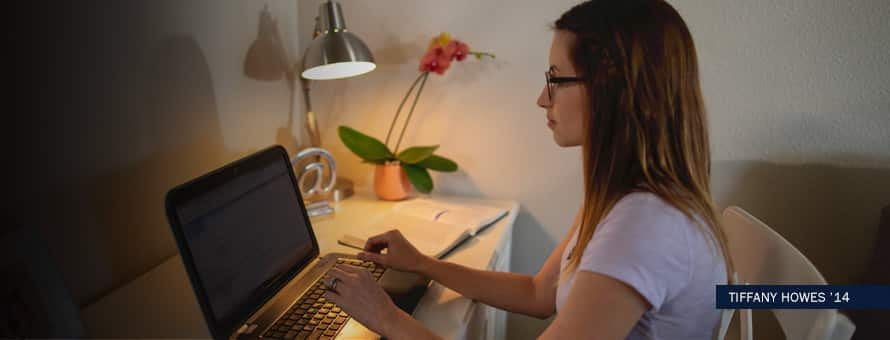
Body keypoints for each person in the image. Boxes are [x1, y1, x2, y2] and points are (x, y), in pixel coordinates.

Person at [322, 0, 734, 339]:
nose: (542, 98)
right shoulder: (623, 196)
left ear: (612, 89)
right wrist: (423, 265)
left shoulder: (644, 225)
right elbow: (540, 294)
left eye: (555, 79)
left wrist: (386, 318)